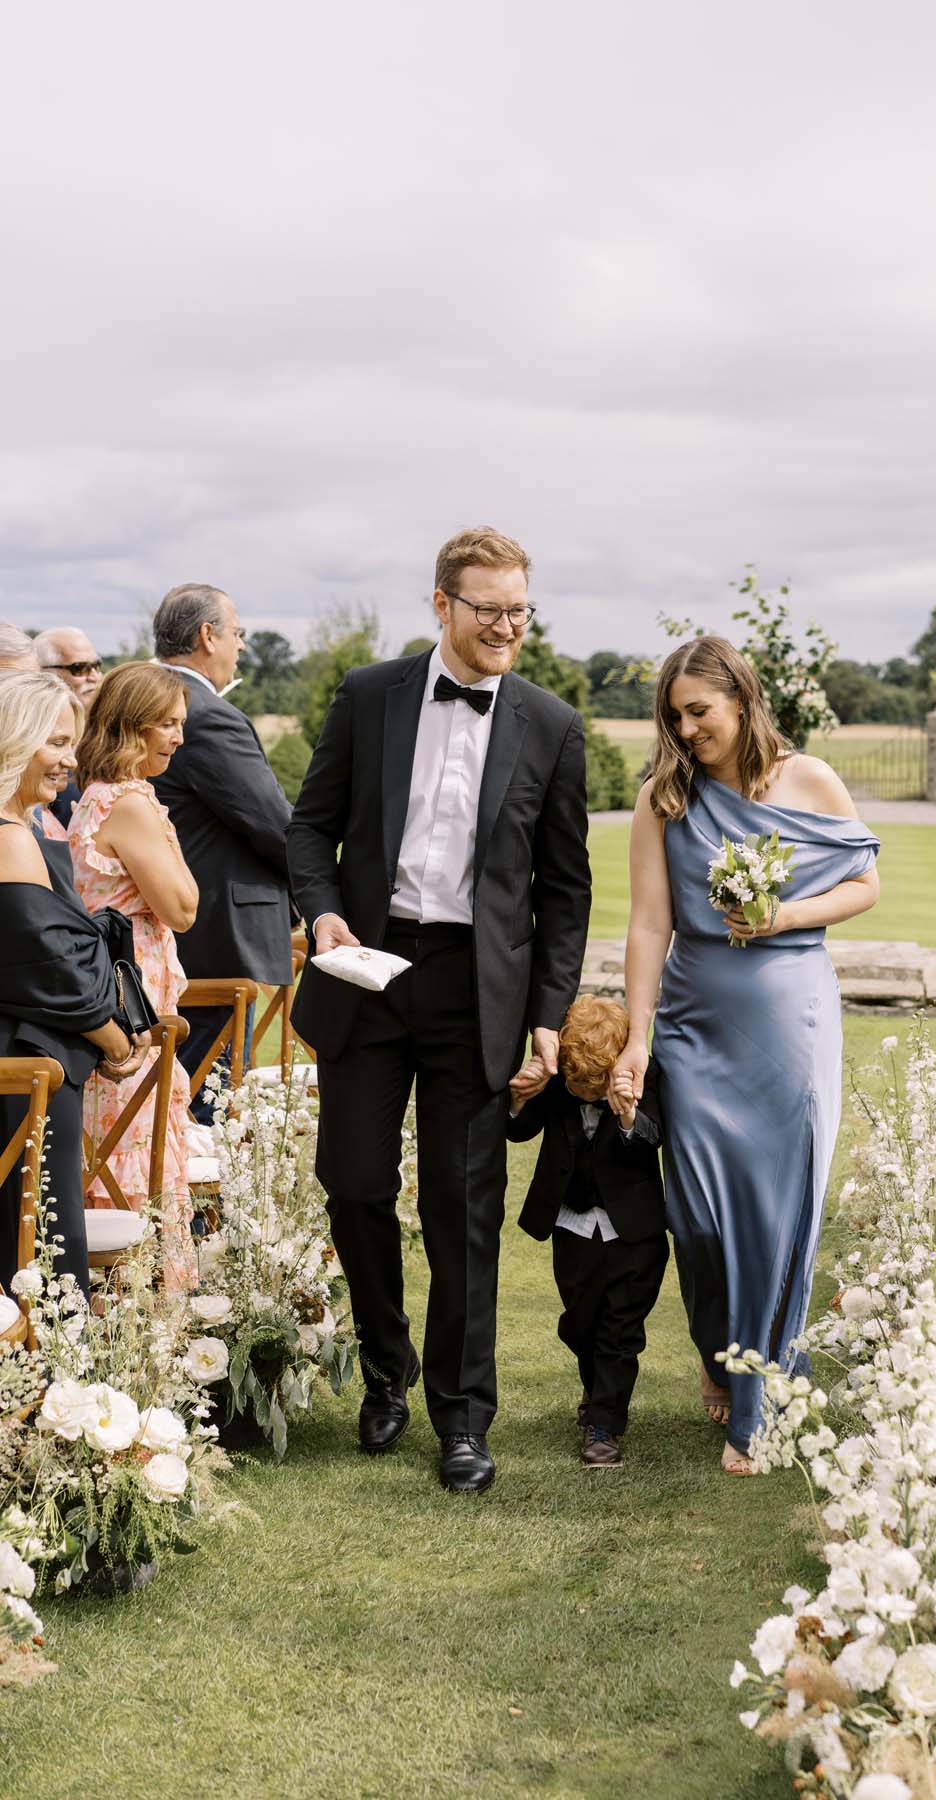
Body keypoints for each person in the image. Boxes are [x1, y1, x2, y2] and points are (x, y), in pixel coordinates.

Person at [287, 526, 591, 1494]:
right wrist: (324, 914)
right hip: (369, 973)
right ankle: (387, 1370)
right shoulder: (369, 696)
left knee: (466, 1208)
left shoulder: (551, 723)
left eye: (519, 610)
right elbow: (310, 827)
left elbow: (566, 890)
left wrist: (550, 1013)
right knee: (355, 1183)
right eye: (488, 609)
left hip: (479, 989)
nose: (506, 627)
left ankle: (463, 1417)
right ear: (441, 606)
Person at [612, 636, 879, 1473]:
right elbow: (651, 924)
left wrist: (784, 917)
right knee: (697, 1214)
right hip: (695, 1024)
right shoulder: (664, 798)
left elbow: (864, 882)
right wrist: (637, 1036)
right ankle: (719, 1344)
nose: (687, 729)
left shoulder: (809, 780)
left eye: (700, 711)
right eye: (675, 716)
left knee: (777, 1208)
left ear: (741, 700)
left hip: (788, 1019)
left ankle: (760, 1403)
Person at [0, 673, 147, 1299]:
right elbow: (48, 966)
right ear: (16, 739)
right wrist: (113, 1038)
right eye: (57, 742)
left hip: (37, 1056)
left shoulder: (24, 828)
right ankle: (48, 1386)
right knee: (39, 1239)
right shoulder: (9, 840)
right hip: (23, 1062)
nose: (70, 759)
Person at [69, 664, 199, 1290]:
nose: (177, 737)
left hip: (115, 995)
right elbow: (182, 907)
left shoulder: (95, 796)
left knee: (116, 1143)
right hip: (133, 1005)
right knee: (137, 1151)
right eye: (168, 724)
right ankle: (147, 1313)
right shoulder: (128, 802)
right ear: (132, 725)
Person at [149, 584, 292, 1121]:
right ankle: (200, 1209)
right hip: (215, 940)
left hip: (181, 935)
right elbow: (274, 825)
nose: (240, 647)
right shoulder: (204, 714)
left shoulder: (147, 697)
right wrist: (329, 895)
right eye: (237, 634)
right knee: (209, 1107)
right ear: (208, 636)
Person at [507, 996, 668, 1471]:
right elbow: (518, 1130)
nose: (585, 1095)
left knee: (620, 1330)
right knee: (581, 1324)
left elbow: (655, 1137)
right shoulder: (560, 1078)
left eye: (594, 1089)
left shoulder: (646, 1073)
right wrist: (518, 1097)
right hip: (572, 1226)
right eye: (579, 1087)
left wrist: (626, 1117)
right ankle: (597, 1390)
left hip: (634, 1233)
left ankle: (604, 1425)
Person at [34, 627, 104, 830]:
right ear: (45, 672)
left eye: (96, 666)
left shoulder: (103, 733)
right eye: (80, 668)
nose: (93, 676)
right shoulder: (32, 737)